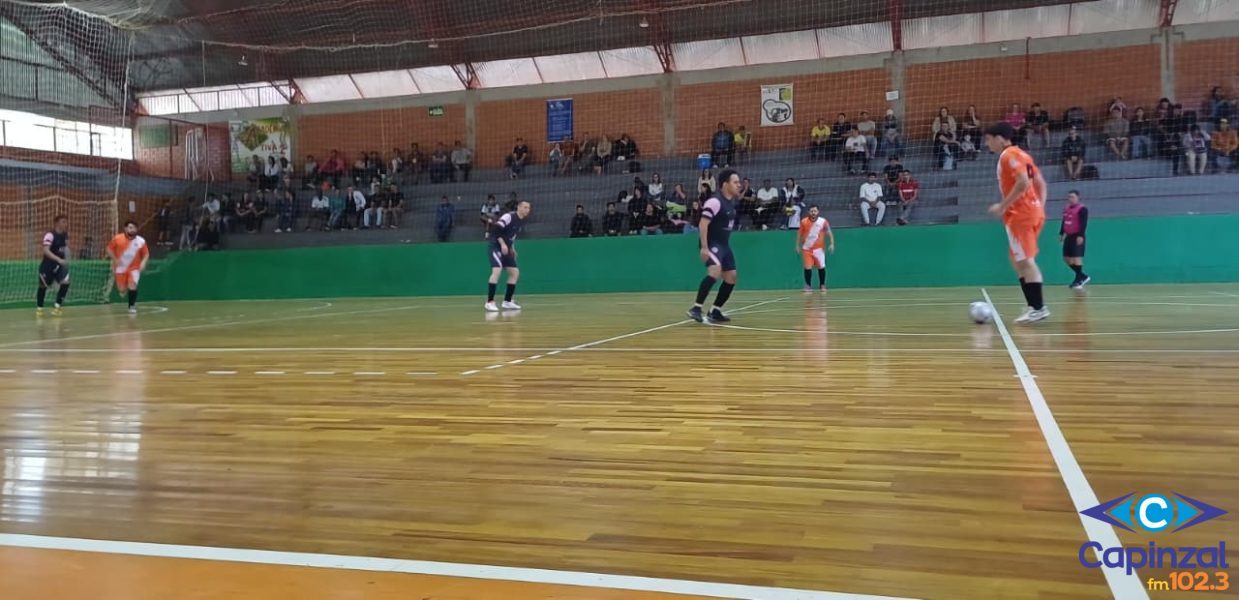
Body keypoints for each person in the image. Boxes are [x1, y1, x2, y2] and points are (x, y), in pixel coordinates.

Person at [985, 122, 1049, 324]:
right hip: (1032, 212)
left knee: (1025, 261)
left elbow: (1024, 182)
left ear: (1000, 138)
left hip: (1020, 214)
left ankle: (1038, 308)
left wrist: (1003, 206)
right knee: (1016, 259)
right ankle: (1033, 305)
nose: (987, 144)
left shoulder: (1009, 155)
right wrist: (1039, 206)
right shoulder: (1023, 154)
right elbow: (1040, 183)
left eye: (989, 139)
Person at [687, 168, 741, 324]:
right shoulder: (715, 201)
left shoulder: (731, 203)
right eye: (735, 182)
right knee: (715, 271)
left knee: (731, 277)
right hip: (711, 244)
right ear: (725, 184)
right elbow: (703, 224)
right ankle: (696, 308)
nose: (739, 185)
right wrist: (704, 247)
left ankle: (715, 311)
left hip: (724, 245)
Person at [485, 200, 530, 311]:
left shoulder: (520, 221)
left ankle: (507, 301)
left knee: (514, 272)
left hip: (506, 247)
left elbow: (511, 236)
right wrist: (502, 244)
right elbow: (496, 229)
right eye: (525, 207)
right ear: (518, 207)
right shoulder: (509, 216)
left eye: (528, 208)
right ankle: (490, 302)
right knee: (497, 270)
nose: (527, 210)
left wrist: (512, 248)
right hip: (496, 245)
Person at [107, 220, 151, 315]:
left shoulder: (141, 241)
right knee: (122, 290)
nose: (133, 230)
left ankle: (132, 306)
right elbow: (109, 249)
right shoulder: (117, 238)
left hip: (134, 269)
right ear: (125, 228)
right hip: (120, 268)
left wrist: (143, 263)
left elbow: (146, 254)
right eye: (130, 228)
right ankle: (125, 289)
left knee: (132, 285)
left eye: (134, 228)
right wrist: (115, 259)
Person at [35, 215, 71, 317]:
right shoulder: (50, 235)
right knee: (43, 287)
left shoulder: (65, 235)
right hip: (48, 265)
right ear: (57, 223)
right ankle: (39, 308)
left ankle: (57, 307)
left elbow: (66, 248)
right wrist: (58, 259)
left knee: (66, 282)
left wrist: (67, 258)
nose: (66, 224)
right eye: (63, 222)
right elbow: (46, 250)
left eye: (66, 222)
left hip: (60, 266)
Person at [796, 205, 834, 292]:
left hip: (819, 249)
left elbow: (829, 232)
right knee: (807, 267)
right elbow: (799, 234)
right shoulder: (804, 222)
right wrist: (797, 246)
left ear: (818, 212)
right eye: (811, 211)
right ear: (808, 212)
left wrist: (832, 244)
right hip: (807, 249)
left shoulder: (823, 221)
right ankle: (808, 286)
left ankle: (822, 285)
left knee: (821, 267)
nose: (813, 213)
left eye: (815, 211)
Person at [1060, 190, 1091, 290]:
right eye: (1069, 197)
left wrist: (1080, 235)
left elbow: (1083, 223)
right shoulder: (1066, 208)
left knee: (1077, 258)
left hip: (1077, 235)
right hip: (1068, 236)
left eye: (1072, 197)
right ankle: (1082, 276)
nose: (1070, 199)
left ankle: (1079, 280)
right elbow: (1064, 221)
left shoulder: (1082, 209)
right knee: (1066, 258)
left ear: (1078, 198)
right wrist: (1061, 233)